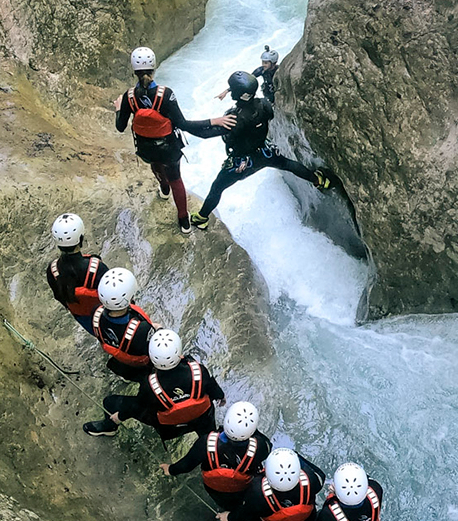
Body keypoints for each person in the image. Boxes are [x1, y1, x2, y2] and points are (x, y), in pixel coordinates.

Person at [188, 71, 335, 230]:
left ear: (239, 94)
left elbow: (204, 133)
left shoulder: (234, 118)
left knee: (217, 187)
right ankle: (319, 180)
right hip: (264, 151)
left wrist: (182, 123)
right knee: (287, 164)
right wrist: (230, 90)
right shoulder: (264, 104)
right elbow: (257, 106)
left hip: (242, 161)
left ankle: (201, 218)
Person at [114, 45, 235, 234]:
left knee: (156, 165)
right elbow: (183, 124)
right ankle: (184, 222)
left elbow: (120, 127)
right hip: (168, 148)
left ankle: (163, 188)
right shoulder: (166, 94)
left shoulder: (128, 97)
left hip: (146, 147)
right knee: (176, 179)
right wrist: (214, 121)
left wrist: (118, 107)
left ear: (134, 70)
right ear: (153, 68)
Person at [160, 400, 272, 511]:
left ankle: (227, 509)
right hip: (241, 488)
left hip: (215, 488)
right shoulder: (260, 447)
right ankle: (236, 514)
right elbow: (268, 447)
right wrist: (254, 433)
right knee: (240, 502)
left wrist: (170, 469)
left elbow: (186, 465)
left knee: (223, 502)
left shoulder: (206, 443)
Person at [83, 268, 156, 436]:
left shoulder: (96, 313)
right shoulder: (141, 329)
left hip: (121, 362)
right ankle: (111, 425)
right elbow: (152, 351)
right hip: (143, 366)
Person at [218, 447, 326, 521]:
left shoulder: (257, 492)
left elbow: (245, 513)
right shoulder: (312, 480)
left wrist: (229, 518)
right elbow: (321, 475)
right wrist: (296, 456)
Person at [45, 213, 109, 333]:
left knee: (99, 334)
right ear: (81, 239)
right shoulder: (97, 268)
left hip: (81, 316)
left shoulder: (52, 270)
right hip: (106, 315)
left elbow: (59, 297)